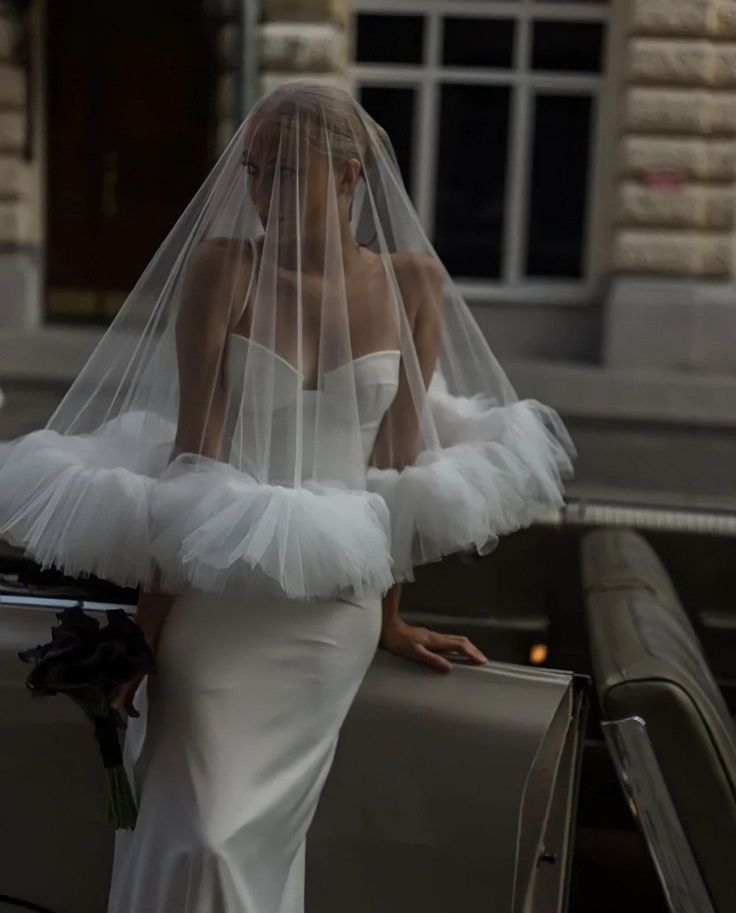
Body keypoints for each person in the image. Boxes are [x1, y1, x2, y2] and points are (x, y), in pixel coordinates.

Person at [0, 80, 575, 910]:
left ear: (348, 178)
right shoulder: (222, 268)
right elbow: (192, 463)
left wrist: (392, 619)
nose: (263, 194)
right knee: (199, 828)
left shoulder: (416, 282)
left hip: (328, 616)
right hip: (215, 598)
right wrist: (139, 642)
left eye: (288, 174)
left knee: (244, 832)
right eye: (255, 172)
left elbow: (398, 476)